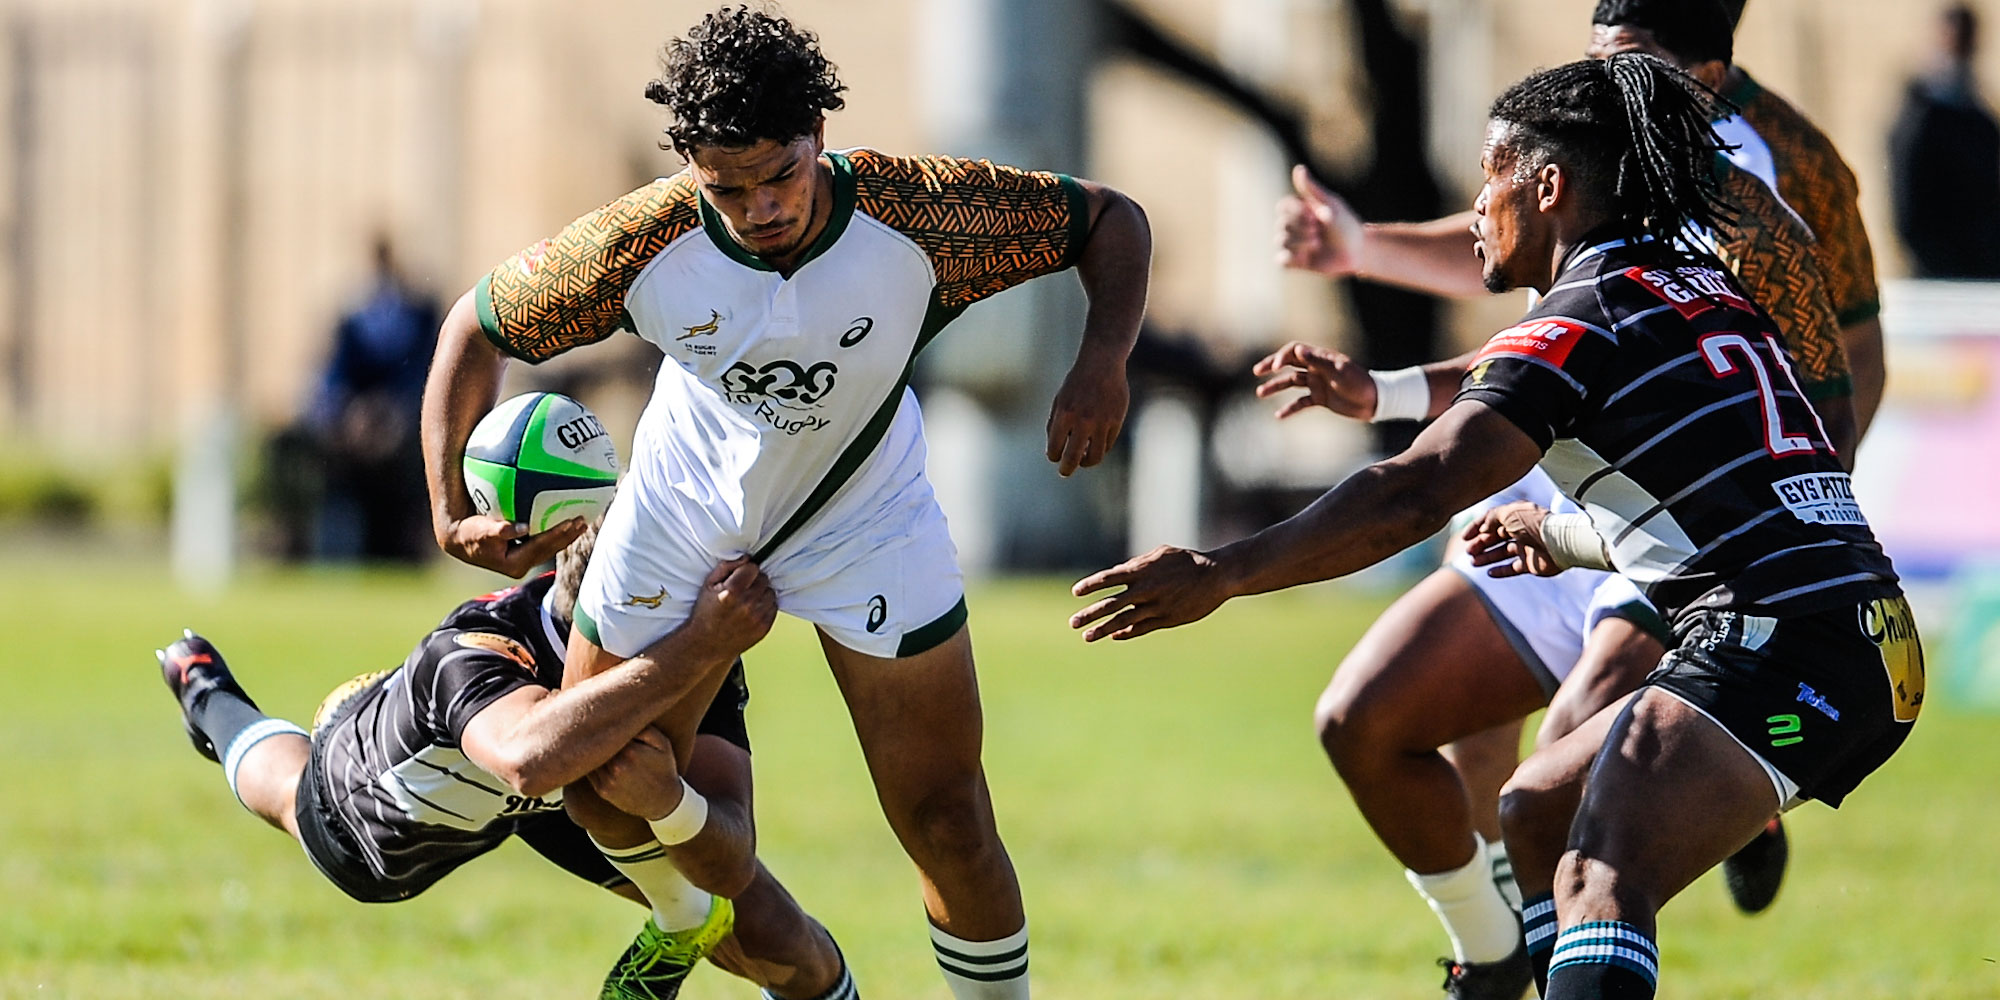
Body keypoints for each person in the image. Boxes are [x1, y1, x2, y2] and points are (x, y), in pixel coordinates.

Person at [1077, 54, 1919, 1000]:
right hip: (1856, 629)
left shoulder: (1585, 320)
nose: (1477, 206)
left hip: (1781, 642)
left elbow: (1413, 492)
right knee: (1535, 809)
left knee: (1601, 874)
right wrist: (1557, 540)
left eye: (1490, 177)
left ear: (1548, 187)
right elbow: (1722, 506)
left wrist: (1222, 572)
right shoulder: (1693, 288)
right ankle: (1516, 969)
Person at [417, 9, 1151, 998]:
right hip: (685, 506)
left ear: (818, 135)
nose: (759, 207)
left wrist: (1103, 359)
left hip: (865, 515)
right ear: (691, 169)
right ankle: (743, 940)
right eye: (727, 188)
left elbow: (1109, 221)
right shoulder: (639, 242)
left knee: (945, 816)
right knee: (605, 788)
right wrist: (445, 508)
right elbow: (475, 325)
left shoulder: (919, 212)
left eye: (781, 175)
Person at [1261, 6, 1848, 992]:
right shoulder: (1582, 168)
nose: (1604, 77)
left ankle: (1733, 784)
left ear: (1707, 70)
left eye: (1631, 61)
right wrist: (1371, 302)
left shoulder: (1770, 195)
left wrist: (1796, 529)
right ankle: (1494, 959)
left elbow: (1834, 371)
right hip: (1559, 502)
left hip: (1695, 539)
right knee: (1373, 720)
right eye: (1596, 55)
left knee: (1569, 774)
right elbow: (1522, 293)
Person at [155, 535, 856, 1000]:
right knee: (290, 793)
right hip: (403, 801)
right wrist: (696, 646)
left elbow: (731, 847)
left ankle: (685, 922)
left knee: (769, 928)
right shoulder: (474, 647)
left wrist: (671, 801)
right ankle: (208, 693)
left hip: (562, 800)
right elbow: (528, 760)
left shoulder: (682, 630)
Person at [1709, 0, 1890, 437]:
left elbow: (1859, 346)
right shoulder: (1586, 143)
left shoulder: (1796, 159)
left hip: (1751, 462)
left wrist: (1827, 470)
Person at [1889, 3, 2000, 278]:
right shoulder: (1918, 121)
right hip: (1939, 282)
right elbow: (1909, 215)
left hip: (1983, 276)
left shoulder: (1980, 119)